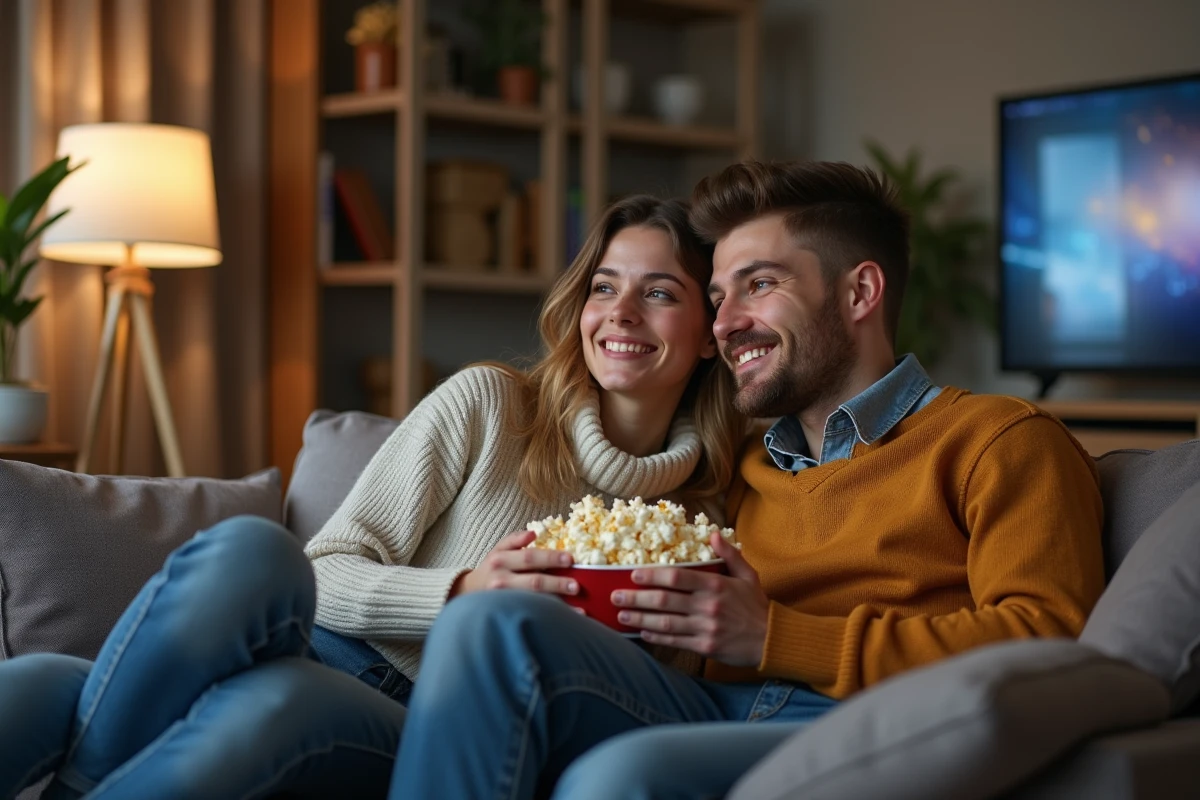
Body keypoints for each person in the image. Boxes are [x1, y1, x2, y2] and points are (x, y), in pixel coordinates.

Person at [387, 160, 1107, 800]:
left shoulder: (998, 441)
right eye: (719, 295)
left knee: (615, 779)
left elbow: (1049, 638)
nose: (725, 324)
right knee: (492, 620)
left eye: (759, 285)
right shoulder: (743, 467)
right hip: (709, 706)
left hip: (865, 722)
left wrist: (777, 636)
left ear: (860, 293)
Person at [0, 195, 743, 800]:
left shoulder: (708, 520)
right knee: (247, 553)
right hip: (318, 639)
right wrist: (459, 590)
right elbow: (323, 570)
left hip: (418, 717)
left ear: (709, 334)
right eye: (604, 287)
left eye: (660, 293)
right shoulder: (492, 405)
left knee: (267, 704)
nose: (620, 313)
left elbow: (631, 696)